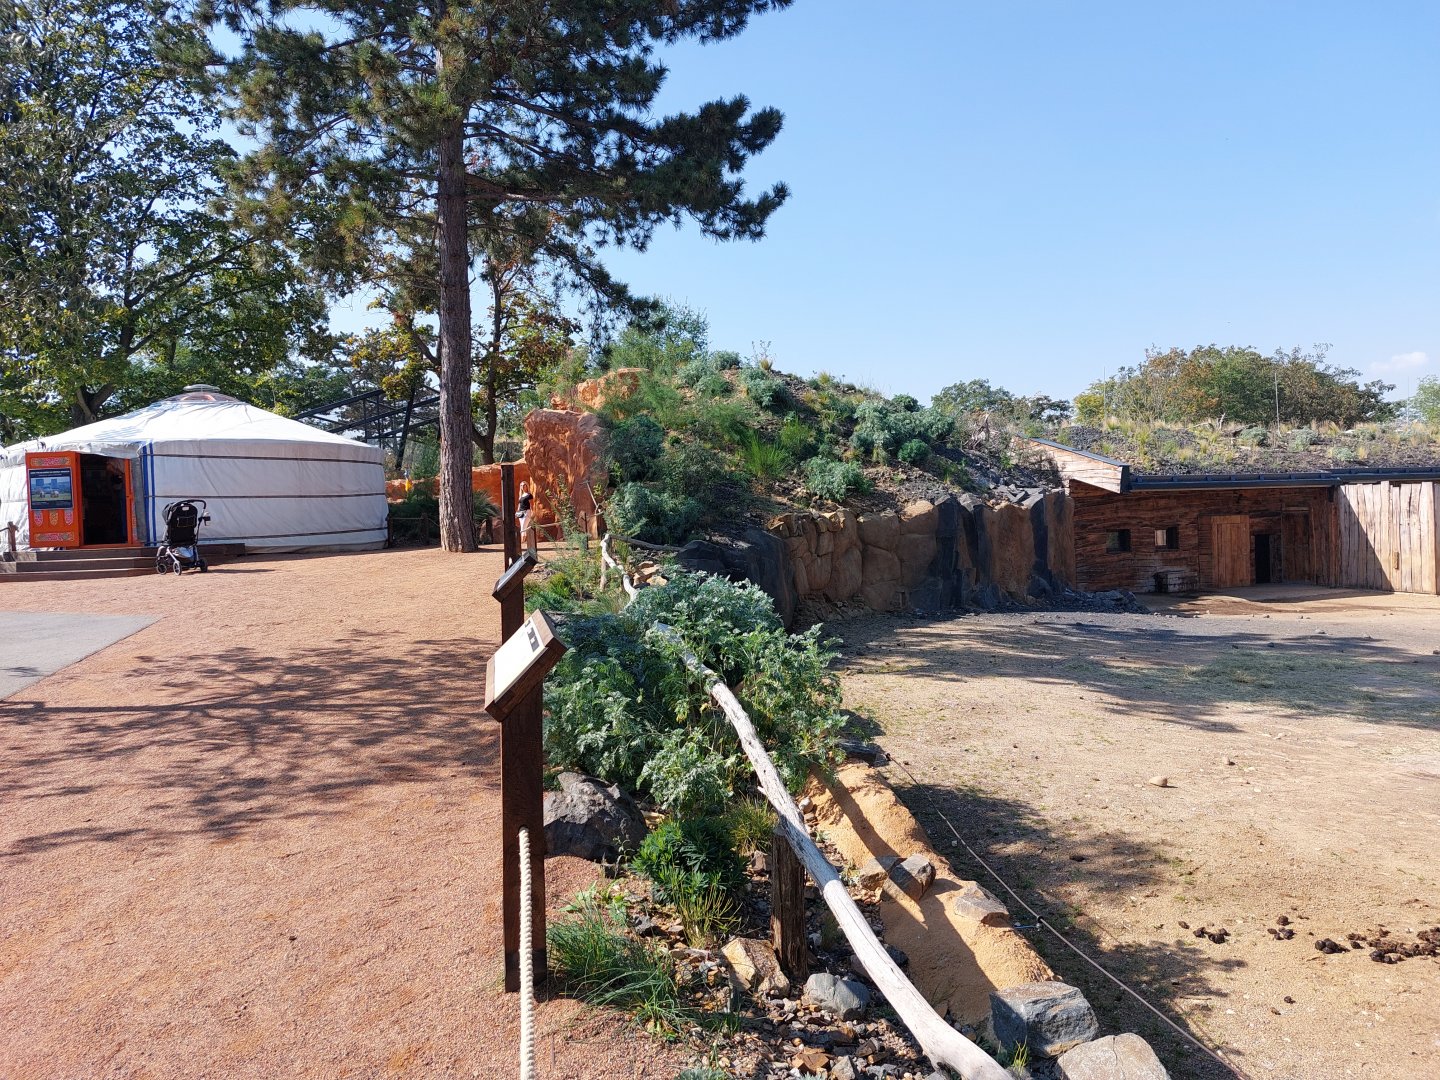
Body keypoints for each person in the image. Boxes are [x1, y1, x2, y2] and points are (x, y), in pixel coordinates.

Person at [516, 481, 537, 555]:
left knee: (523, 527)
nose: (523, 486)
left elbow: (531, 504)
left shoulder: (529, 495)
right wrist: (517, 512)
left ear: (526, 486)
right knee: (523, 526)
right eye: (521, 485)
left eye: (524, 485)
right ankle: (523, 541)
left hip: (527, 512)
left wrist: (533, 512)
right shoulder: (521, 495)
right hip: (521, 513)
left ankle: (522, 541)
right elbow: (519, 504)